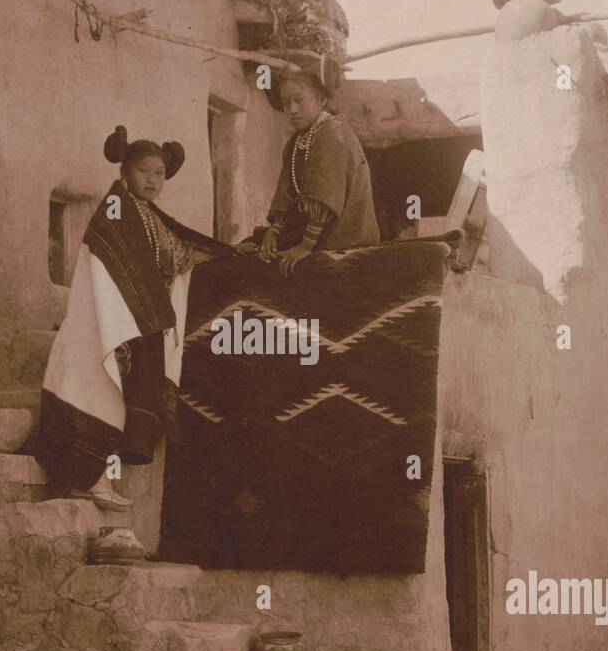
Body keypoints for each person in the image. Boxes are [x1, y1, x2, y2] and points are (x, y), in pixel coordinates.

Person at [33, 126, 234, 509]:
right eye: (144, 171)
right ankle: (86, 481)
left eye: (159, 173)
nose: (152, 180)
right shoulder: (115, 210)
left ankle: (96, 483)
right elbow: (112, 263)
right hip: (102, 321)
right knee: (96, 395)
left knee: (116, 403)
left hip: (128, 324)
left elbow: (175, 254)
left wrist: (224, 257)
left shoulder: (148, 216)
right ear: (126, 171)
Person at [237, 64, 381, 275]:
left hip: (344, 230)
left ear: (320, 100)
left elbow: (324, 198)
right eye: (286, 103)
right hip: (311, 228)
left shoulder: (332, 132)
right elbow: (286, 197)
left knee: (262, 264)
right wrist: (274, 232)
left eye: (299, 100)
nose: (292, 109)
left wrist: (304, 247)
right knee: (251, 246)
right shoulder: (296, 141)